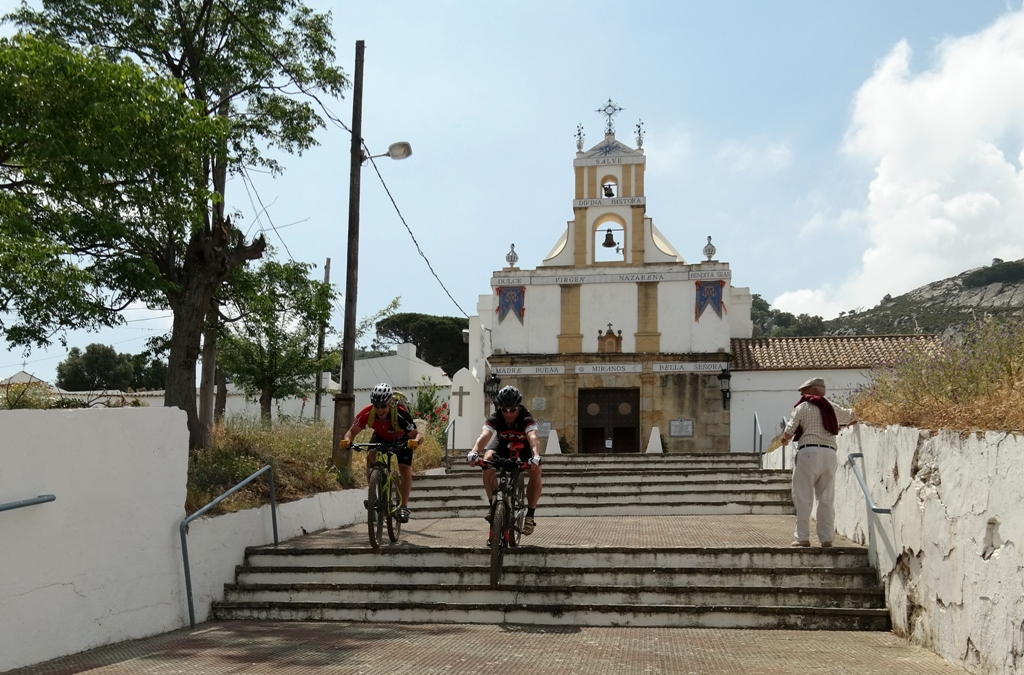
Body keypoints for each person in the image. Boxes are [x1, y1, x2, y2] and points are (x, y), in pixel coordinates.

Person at [779, 377, 857, 548]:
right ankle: (827, 539)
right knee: (826, 498)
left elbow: (789, 429)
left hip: (808, 453)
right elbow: (852, 416)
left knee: (803, 497)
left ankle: (802, 538)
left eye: (804, 391)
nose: (802, 394)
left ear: (813, 391)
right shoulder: (831, 407)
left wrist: (784, 440)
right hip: (829, 453)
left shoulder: (802, 407)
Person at [338, 383, 424, 523]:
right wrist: (347, 440)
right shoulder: (368, 412)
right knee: (370, 456)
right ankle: (374, 496)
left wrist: (415, 441)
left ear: (390, 403)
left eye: (383, 405)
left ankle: (403, 507)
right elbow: (352, 431)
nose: (380, 409)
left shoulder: (400, 413)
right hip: (381, 436)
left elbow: (418, 434)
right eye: (376, 405)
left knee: (404, 468)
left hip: (402, 438)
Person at [467, 385, 543, 537]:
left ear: (518, 407)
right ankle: (494, 505)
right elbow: (485, 436)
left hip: (524, 447)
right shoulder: (496, 417)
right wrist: (474, 452)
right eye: (504, 410)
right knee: (487, 460)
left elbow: (533, 438)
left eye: (512, 410)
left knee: (536, 471)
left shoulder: (525, 417)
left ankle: (530, 515)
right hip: (502, 444)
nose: (508, 414)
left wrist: (535, 456)